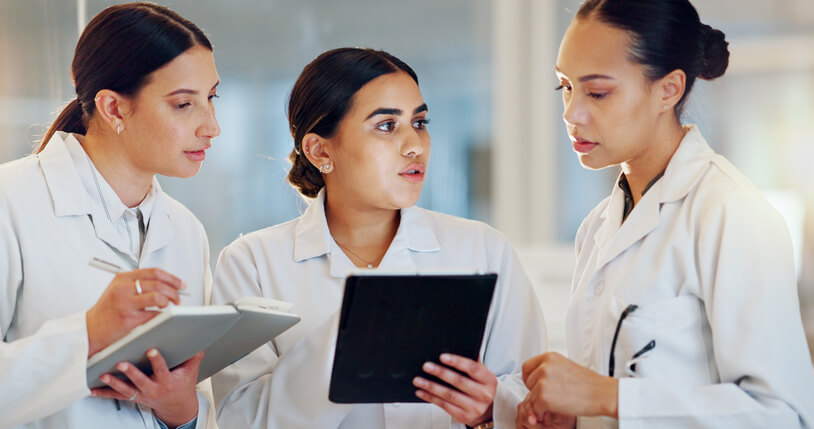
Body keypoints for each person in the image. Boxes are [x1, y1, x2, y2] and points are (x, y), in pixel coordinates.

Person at [210, 47, 546, 429]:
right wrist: (350, 338)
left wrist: (490, 409)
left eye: (419, 122)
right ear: (320, 150)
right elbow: (240, 419)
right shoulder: (252, 262)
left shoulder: (483, 249)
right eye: (386, 126)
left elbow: (532, 397)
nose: (415, 145)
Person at [515, 0, 814, 428]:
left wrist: (608, 397)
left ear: (668, 90)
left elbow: (784, 415)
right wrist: (572, 416)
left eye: (597, 92)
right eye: (565, 86)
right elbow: (606, 398)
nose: (571, 113)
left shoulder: (730, 213)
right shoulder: (597, 227)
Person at [0, 3, 221, 428]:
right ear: (114, 109)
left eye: (211, 97)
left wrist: (181, 410)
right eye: (183, 105)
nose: (211, 126)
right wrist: (88, 335)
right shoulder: (11, 202)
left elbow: (197, 400)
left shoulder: (185, 231)